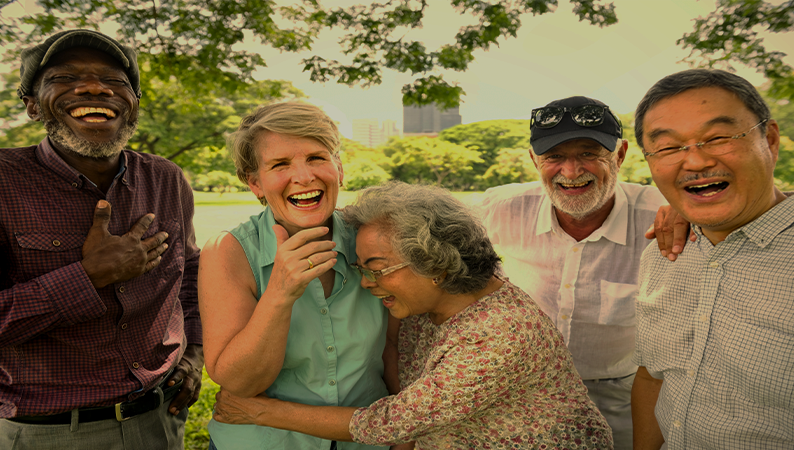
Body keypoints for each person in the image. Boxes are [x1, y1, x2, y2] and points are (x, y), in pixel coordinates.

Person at [212, 181, 615, 449]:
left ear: (435, 263)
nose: (367, 284)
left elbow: (390, 421)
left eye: (376, 268)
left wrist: (260, 410)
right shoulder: (430, 306)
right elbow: (398, 362)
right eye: (360, 269)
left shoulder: (498, 333)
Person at [0, 29, 203, 449]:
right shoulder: (0, 181)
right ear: (32, 105)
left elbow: (190, 275)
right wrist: (87, 278)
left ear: (134, 105)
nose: (94, 87)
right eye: (65, 77)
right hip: (48, 434)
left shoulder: (164, 178)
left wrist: (195, 353)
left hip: (160, 421)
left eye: (116, 80)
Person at [198, 102, 392, 450]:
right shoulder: (228, 252)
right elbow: (240, 383)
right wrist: (279, 294)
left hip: (366, 441)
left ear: (339, 168)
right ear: (255, 183)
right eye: (280, 165)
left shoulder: (374, 238)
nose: (304, 177)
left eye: (317, 158)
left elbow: (398, 352)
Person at [478, 96, 669, 449]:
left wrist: (689, 214)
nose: (571, 171)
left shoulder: (664, 215)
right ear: (534, 159)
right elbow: (429, 236)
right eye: (554, 157)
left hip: (620, 398)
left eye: (588, 153)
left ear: (621, 154)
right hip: (521, 393)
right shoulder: (502, 208)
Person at [631, 68, 794, 450]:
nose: (696, 161)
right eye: (669, 147)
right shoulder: (662, 252)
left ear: (769, 140)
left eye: (718, 138)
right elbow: (653, 377)